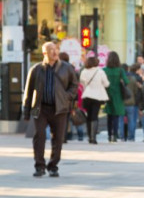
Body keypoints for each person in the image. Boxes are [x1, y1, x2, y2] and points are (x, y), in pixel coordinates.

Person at [22, 42, 78, 177]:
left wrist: (67, 96)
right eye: (51, 50)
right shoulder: (36, 69)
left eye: (56, 49)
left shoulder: (67, 68)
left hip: (60, 108)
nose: (54, 52)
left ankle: (53, 165)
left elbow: (74, 85)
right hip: (39, 108)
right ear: (44, 53)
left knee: (58, 137)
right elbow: (29, 92)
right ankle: (39, 166)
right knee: (39, 136)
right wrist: (26, 111)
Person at [80, 55, 108, 144]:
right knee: (94, 116)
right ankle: (93, 137)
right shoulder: (100, 72)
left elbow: (82, 83)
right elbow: (106, 84)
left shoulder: (84, 72)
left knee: (88, 116)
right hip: (97, 96)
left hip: (87, 95)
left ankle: (89, 136)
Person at [104, 52, 128, 143]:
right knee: (116, 116)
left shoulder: (104, 70)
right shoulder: (120, 70)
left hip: (107, 94)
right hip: (118, 95)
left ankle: (109, 135)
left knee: (109, 116)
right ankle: (115, 135)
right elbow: (126, 82)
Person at [120, 64, 143, 141]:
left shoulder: (120, 79)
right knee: (131, 120)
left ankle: (122, 136)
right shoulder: (133, 79)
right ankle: (131, 137)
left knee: (121, 120)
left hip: (122, 102)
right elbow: (136, 91)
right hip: (131, 102)